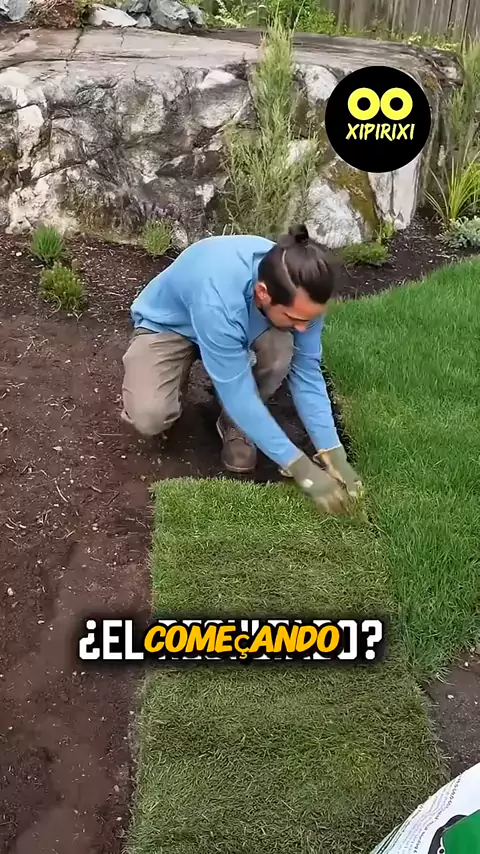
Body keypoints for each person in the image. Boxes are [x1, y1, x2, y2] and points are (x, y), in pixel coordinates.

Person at [121, 223, 363, 514]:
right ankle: (175, 380)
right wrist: (302, 469)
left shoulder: (303, 291)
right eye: (294, 318)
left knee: (282, 349)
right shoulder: (218, 294)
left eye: (308, 320)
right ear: (263, 293)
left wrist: (334, 455)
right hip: (170, 327)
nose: (303, 327)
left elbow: (307, 373)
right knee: (150, 415)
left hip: (236, 325)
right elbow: (238, 392)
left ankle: (233, 423)